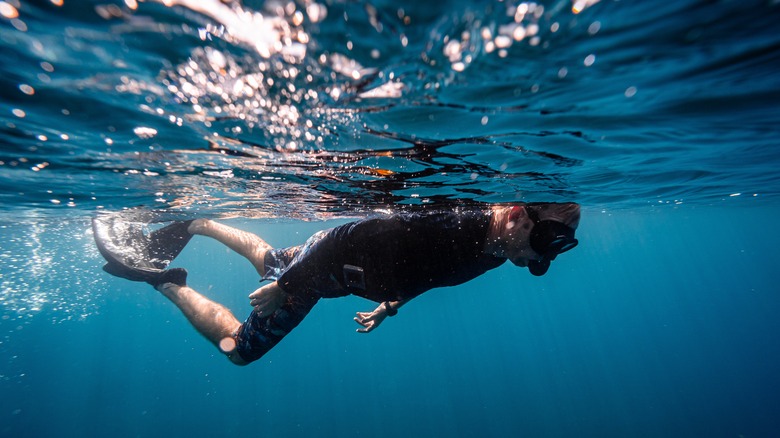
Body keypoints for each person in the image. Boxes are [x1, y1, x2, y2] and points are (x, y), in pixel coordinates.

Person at [93, 203, 580, 365]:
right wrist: (287, 286)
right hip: (323, 267)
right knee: (241, 350)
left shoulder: (494, 252)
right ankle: (166, 282)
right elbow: (354, 233)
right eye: (544, 242)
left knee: (270, 257)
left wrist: (391, 306)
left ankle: (198, 224)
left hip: (328, 271)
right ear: (516, 216)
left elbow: (431, 277)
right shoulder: (453, 224)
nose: (537, 258)